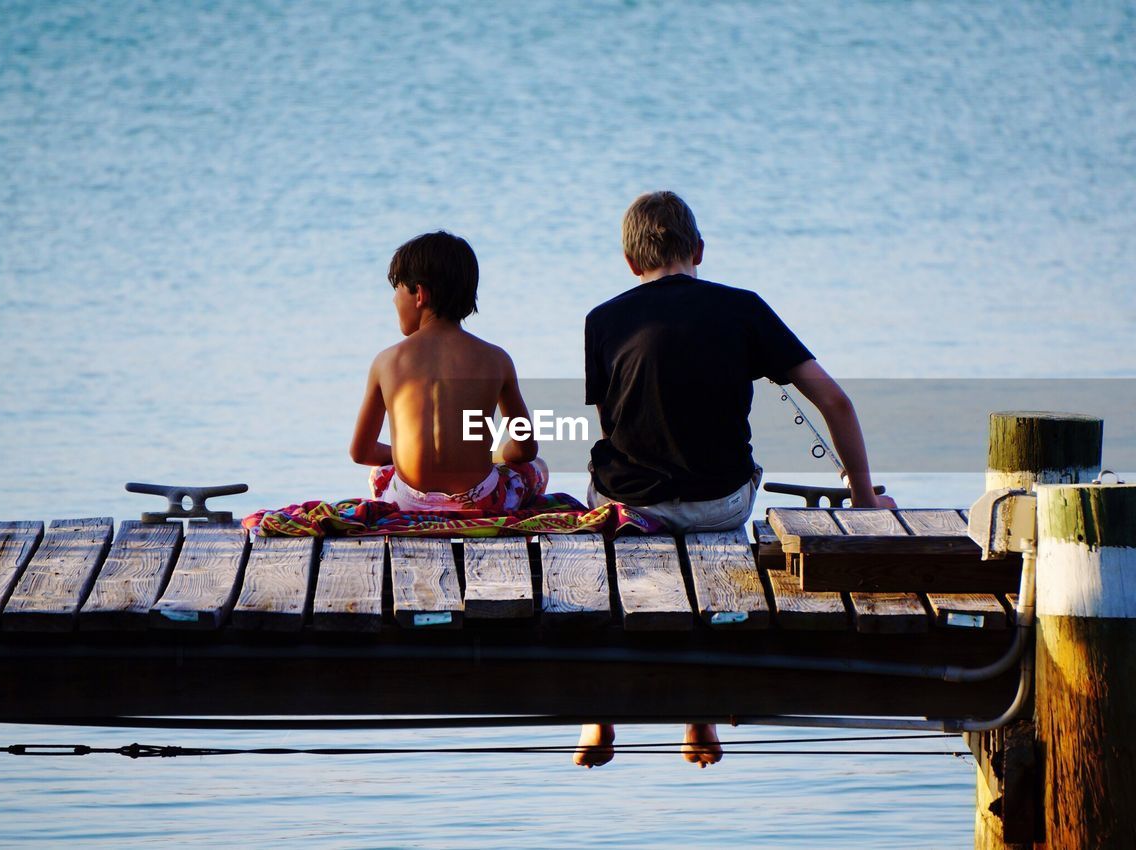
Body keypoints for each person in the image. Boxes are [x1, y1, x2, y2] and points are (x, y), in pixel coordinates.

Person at [573, 191, 896, 769]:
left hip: (631, 509)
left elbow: (617, 423)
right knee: (714, 560)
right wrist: (865, 498)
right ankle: (698, 717)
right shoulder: (744, 308)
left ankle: (599, 714)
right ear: (699, 249)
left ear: (628, 263)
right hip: (717, 505)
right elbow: (837, 403)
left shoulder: (602, 320)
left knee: (602, 515)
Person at [350, 231, 548, 513]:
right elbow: (527, 449)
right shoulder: (496, 359)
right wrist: (492, 456)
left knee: (379, 474)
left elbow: (361, 452)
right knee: (536, 469)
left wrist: (410, 453)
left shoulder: (386, 361)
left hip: (409, 502)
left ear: (420, 294)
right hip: (479, 502)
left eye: (397, 289)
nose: (394, 300)